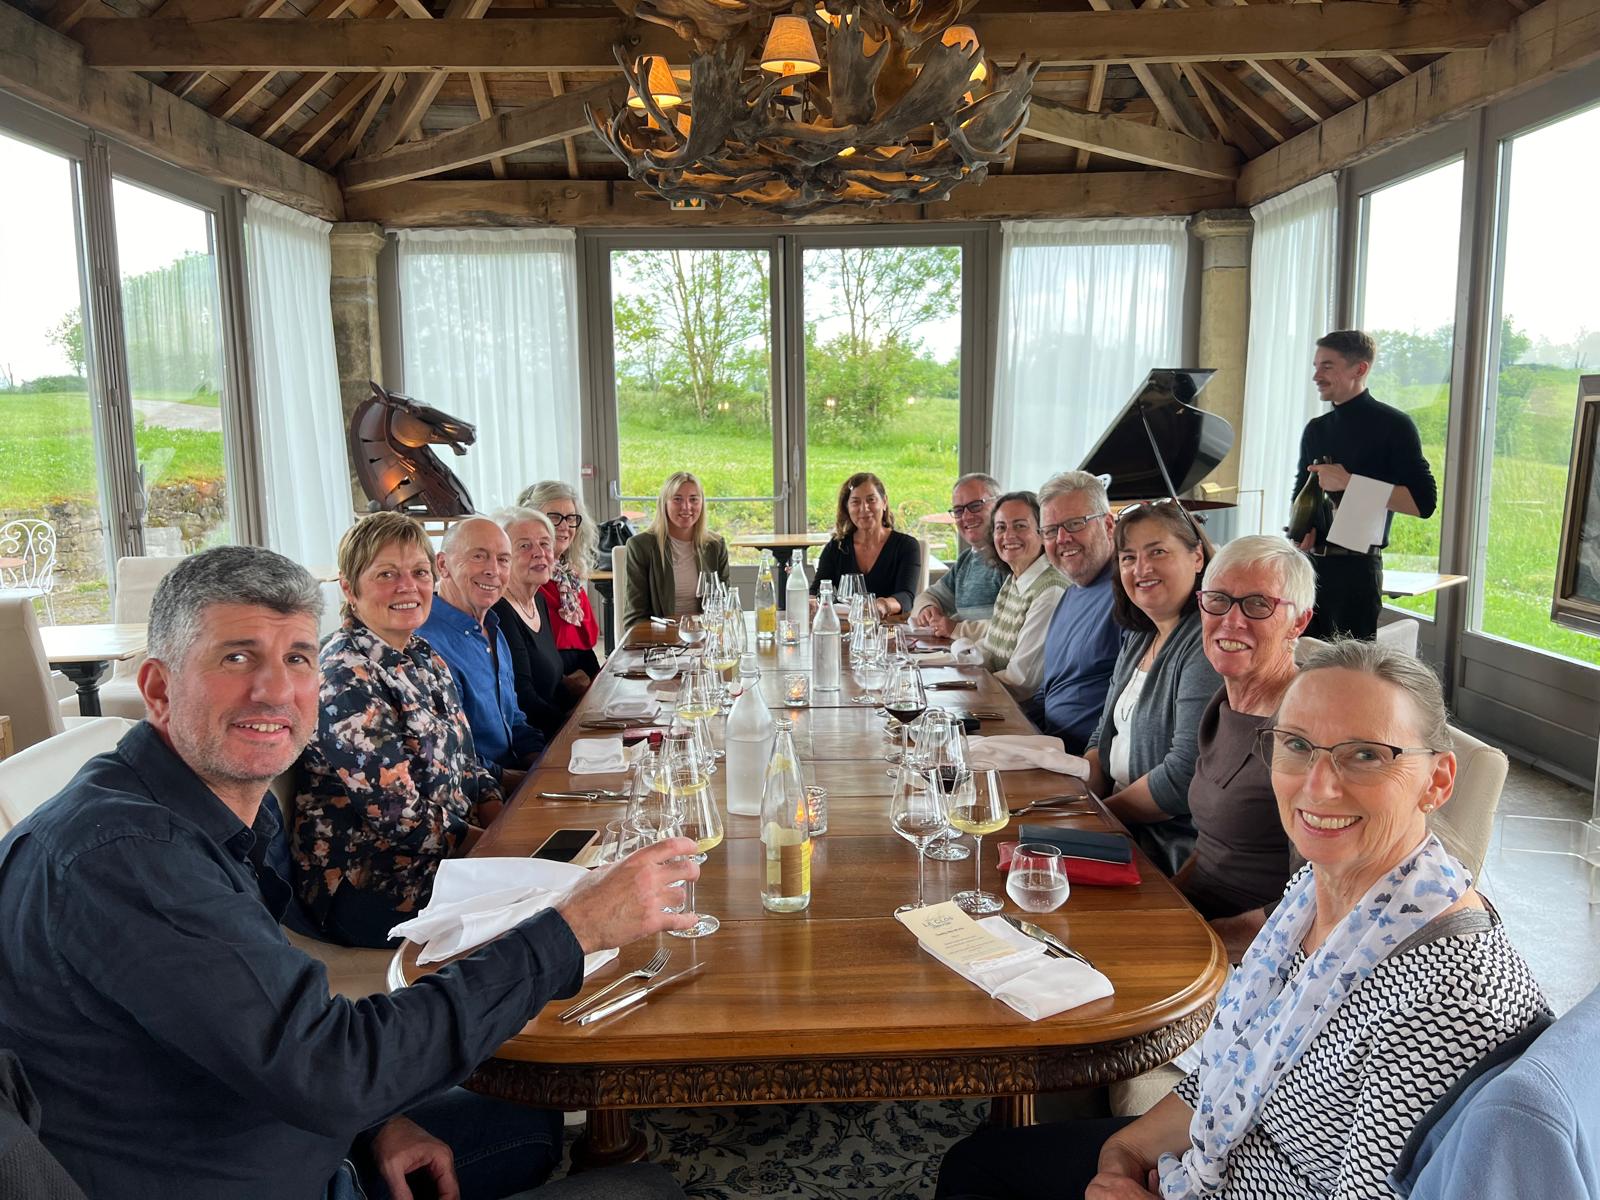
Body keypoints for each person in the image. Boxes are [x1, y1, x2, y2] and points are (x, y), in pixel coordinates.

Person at [0, 545, 695, 1200]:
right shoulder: (123, 857)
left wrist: (372, 1126)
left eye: (298, 657)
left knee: (529, 1119)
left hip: (287, 1128)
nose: (274, 690)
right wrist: (573, 929)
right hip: (236, 1173)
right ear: (158, 688)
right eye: (237, 657)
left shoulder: (186, 810)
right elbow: (336, 1067)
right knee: (647, 1190)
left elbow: (265, 1029)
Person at [938, 639, 1549, 1200]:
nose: (1319, 786)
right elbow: (1225, 1075)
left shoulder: (1446, 994)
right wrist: (1121, 1155)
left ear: (1436, 781)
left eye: (1366, 754)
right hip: (1218, 1157)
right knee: (980, 1163)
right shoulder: (1316, 890)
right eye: (1298, 745)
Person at [294, 512, 505, 948]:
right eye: (386, 574)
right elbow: (398, 816)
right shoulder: (344, 677)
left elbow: (466, 759)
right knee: (550, 910)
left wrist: (499, 816)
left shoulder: (422, 654)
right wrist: (497, 852)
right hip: (375, 883)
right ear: (350, 589)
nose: (408, 586)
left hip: (447, 858)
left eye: (419, 572)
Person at [1180, 533, 1315, 962]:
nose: (1231, 621)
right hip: (1197, 922)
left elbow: (1319, 894)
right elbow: (1209, 849)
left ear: (1299, 622)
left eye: (1258, 604)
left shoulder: (1307, 731)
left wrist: (1202, 943)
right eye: (1218, 600)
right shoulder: (1224, 703)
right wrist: (1161, 907)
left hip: (1253, 957)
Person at [1084, 501, 1222, 875]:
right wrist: (1079, 803)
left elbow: (1182, 779)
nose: (1140, 568)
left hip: (1167, 848)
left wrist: (1097, 814)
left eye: (1157, 552)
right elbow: (1103, 735)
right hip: (1118, 823)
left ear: (1197, 557)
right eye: (1128, 557)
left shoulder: (1207, 643)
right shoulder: (1139, 636)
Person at [1296, 329, 1437, 640]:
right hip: (1307, 570)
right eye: (1316, 366)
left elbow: (1423, 503)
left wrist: (1349, 482)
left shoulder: (1394, 426)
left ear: (1359, 369)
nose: (1316, 376)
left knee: (1348, 676)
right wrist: (1300, 533)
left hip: (1357, 573)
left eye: (1327, 366)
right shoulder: (1316, 429)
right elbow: (1300, 494)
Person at [419, 516, 545, 785]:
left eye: (503, 560)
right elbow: (450, 758)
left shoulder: (492, 626)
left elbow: (514, 719)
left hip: (515, 778)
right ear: (443, 565)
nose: (493, 570)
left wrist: (546, 766)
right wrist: (524, 782)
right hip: (479, 795)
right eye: (479, 556)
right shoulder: (425, 644)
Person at [1028, 470, 1122, 754]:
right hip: (1049, 747)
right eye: (1051, 530)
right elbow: (1049, 689)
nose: (1062, 538)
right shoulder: (1071, 593)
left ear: (1108, 525)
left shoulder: (1127, 596)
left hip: (1084, 762)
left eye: (1075, 524)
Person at [962, 491, 1067, 700]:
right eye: (1001, 527)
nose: (1008, 536)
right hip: (996, 699)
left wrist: (966, 676)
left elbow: (1021, 683)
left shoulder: (1050, 591)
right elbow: (989, 649)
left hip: (1023, 716)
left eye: (1020, 525)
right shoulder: (1014, 580)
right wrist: (963, 652)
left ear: (1043, 533)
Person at [493, 508, 581, 738]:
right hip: (533, 739)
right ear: (502, 557)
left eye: (545, 544)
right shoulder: (499, 611)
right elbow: (523, 698)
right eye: (524, 546)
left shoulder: (538, 600)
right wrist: (573, 727)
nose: (539, 553)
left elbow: (552, 683)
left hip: (554, 724)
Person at [517, 479, 601, 689]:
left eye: (571, 518)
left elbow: (588, 638)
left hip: (583, 672)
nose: (565, 526)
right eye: (554, 517)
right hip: (557, 685)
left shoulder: (567, 576)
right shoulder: (527, 582)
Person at [622, 471, 730, 629]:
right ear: (664, 503)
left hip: (705, 639)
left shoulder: (715, 545)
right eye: (677, 499)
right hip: (661, 644)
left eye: (693, 499)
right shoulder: (640, 547)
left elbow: (723, 606)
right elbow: (635, 619)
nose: (686, 507)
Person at [811, 472, 922, 617]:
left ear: (884, 502)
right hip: (846, 629)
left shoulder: (906, 546)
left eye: (871, 500)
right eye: (855, 502)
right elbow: (816, 591)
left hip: (889, 631)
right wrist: (811, 600)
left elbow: (906, 597)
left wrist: (882, 605)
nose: (864, 508)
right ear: (847, 508)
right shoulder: (836, 547)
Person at [912, 472, 1007, 635]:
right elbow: (927, 596)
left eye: (976, 505)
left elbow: (1011, 628)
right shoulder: (967, 559)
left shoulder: (1008, 559)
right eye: (958, 510)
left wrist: (957, 628)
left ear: (999, 505)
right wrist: (927, 609)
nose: (966, 516)